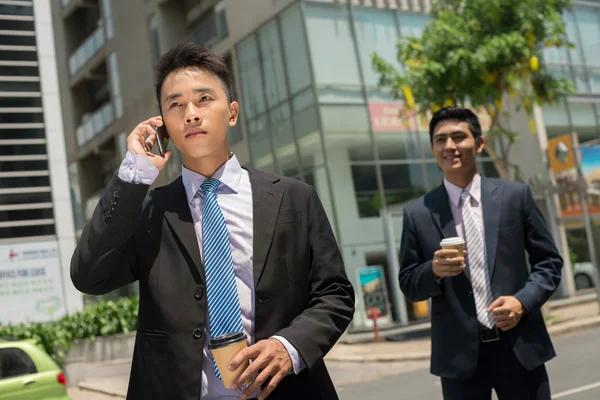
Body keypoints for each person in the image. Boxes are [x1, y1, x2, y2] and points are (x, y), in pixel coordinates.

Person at [70, 43, 355, 400]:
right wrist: (133, 175)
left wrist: (289, 346)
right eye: (175, 105)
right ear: (164, 126)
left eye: (204, 99)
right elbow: (88, 275)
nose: (191, 114)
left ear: (232, 113)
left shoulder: (294, 198)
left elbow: (335, 294)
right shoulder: (150, 211)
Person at [399, 107, 563, 400]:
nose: (450, 146)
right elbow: (409, 283)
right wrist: (433, 271)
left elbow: (549, 262)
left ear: (479, 143)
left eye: (459, 137)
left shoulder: (516, 197)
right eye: (441, 140)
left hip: (520, 346)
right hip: (459, 360)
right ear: (433, 149)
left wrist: (522, 302)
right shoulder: (417, 213)